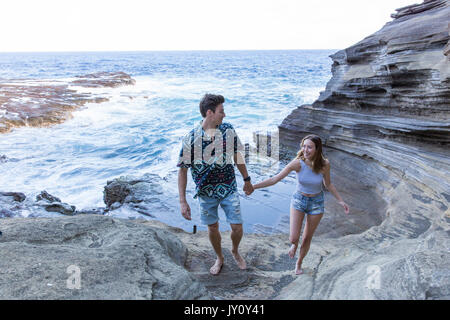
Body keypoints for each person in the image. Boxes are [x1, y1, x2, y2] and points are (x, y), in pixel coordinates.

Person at [250, 134, 349, 275]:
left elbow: (328, 184)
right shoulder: (297, 163)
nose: (305, 150)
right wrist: (253, 186)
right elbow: (275, 179)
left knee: (307, 237)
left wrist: (340, 200)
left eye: (309, 147)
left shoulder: (325, 164)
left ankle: (299, 263)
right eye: (303, 146)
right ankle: (293, 245)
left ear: (317, 149)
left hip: (317, 203)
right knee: (293, 238)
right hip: (299, 200)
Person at [177, 94, 254, 275]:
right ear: (210, 113)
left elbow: (237, 156)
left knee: (237, 226)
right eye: (221, 111)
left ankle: (234, 250)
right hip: (205, 191)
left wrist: (247, 180)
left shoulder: (228, 130)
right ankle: (219, 257)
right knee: (212, 227)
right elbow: (182, 170)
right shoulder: (191, 138)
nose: (224, 115)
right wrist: (182, 201)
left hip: (228, 186)